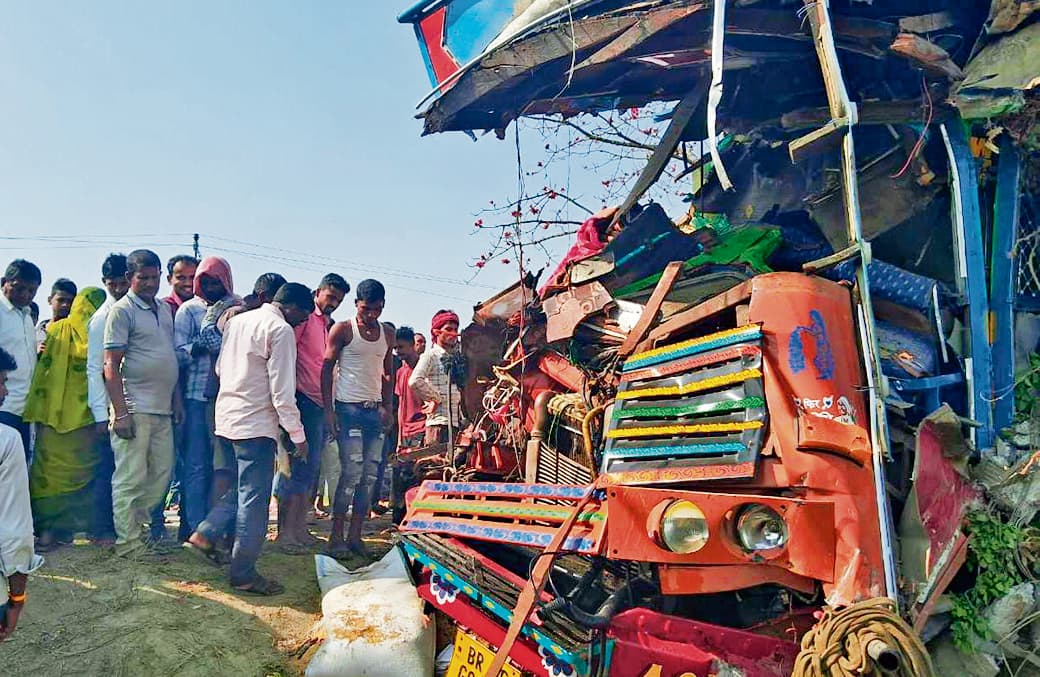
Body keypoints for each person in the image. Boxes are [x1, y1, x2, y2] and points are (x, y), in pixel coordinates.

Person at [185, 283, 313, 596]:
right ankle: (242, 573)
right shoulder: (279, 330)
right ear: (293, 307)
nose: (302, 323)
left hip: (227, 418)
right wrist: (298, 436)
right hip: (255, 424)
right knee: (254, 503)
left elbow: (219, 368)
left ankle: (206, 532)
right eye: (303, 316)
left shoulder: (238, 322)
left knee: (244, 490)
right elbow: (282, 391)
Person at [104, 249, 182, 556]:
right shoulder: (122, 311)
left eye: (154, 277)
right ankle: (128, 545)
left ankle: (140, 532)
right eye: (143, 278)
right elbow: (110, 365)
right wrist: (120, 412)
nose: (150, 283)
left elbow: (169, 357)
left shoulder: (164, 310)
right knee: (130, 478)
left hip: (162, 408)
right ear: (129, 278)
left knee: (161, 475)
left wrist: (176, 400)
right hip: (134, 408)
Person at [24, 288, 107, 551]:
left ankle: (48, 533)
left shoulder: (56, 332)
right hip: (87, 422)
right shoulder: (102, 335)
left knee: (47, 478)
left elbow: (42, 374)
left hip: (51, 419)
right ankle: (70, 531)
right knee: (83, 476)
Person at [275, 273, 348, 550]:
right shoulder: (304, 319)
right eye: (330, 297)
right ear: (318, 292)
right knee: (292, 470)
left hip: (318, 404)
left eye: (338, 301)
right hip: (300, 400)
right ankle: (285, 534)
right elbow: (287, 353)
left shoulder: (324, 323)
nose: (333, 304)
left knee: (308, 473)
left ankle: (299, 529)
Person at [321, 279, 394, 558]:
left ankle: (355, 537)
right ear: (356, 305)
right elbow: (326, 368)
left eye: (376, 309)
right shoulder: (343, 329)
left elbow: (388, 372)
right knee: (350, 474)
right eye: (365, 309)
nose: (371, 315)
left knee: (369, 477)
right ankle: (335, 537)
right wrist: (329, 411)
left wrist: (388, 406)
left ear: (383, 306)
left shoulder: (387, 332)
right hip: (348, 410)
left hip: (374, 411)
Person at [174, 256, 236, 539]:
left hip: (229, 398)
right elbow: (179, 352)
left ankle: (218, 529)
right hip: (196, 396)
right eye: (206, 281)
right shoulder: (189, 311)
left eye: (216, 281)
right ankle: (194, 525)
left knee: (222, 467)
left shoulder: (237, 307)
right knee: (197, 465)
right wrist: (204, 344)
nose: (211, 287)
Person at [0, 346, 43, 641]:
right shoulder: (6, 440)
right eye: (1, 381)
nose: (4, 392)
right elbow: (14, 529)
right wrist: (17, 598)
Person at [87, 254, 129, 546]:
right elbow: (95, 368)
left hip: (129, 402)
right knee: (107, 471)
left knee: (124, 471)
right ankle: (102, 530)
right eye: (111, 282)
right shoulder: (103, 317)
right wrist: (101, 414)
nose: (117, 286)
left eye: (121, 280)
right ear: (105, 283)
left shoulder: (131, 310)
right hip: (109, 408)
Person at [0, 259, 42, 461]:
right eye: (19, 288)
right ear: (4, 282)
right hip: (3, 407)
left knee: (16, 471)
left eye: (31, 291)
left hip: (25, 410)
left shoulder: (26, 316)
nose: (25, 295)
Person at [409, 310, 463, 446]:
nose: (454, 333)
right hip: (438, 426)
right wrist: (436, 398)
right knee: (436, 465)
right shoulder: (430, 356)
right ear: (436, 332)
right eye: (448, 329)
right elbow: (415, 381)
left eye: (456, 329)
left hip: (456, 425)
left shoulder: (457, 358)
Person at [391, 326, 425, 524]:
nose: (399, 352)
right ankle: (398, 521)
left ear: (413, 346)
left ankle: (414, 521)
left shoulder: (424, 369)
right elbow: (401, 404)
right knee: (400, 476)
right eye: (396, 348)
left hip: (421, 429)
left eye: (402, 347)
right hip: (405, 431)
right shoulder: (401, 372)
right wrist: (398, 436)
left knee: (415, 476)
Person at [36, 278, 77, 353]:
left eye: (70, 301)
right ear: (49, 300)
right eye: (61, 300)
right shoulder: (38, 331)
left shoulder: (76, 332)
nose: (65, 305)